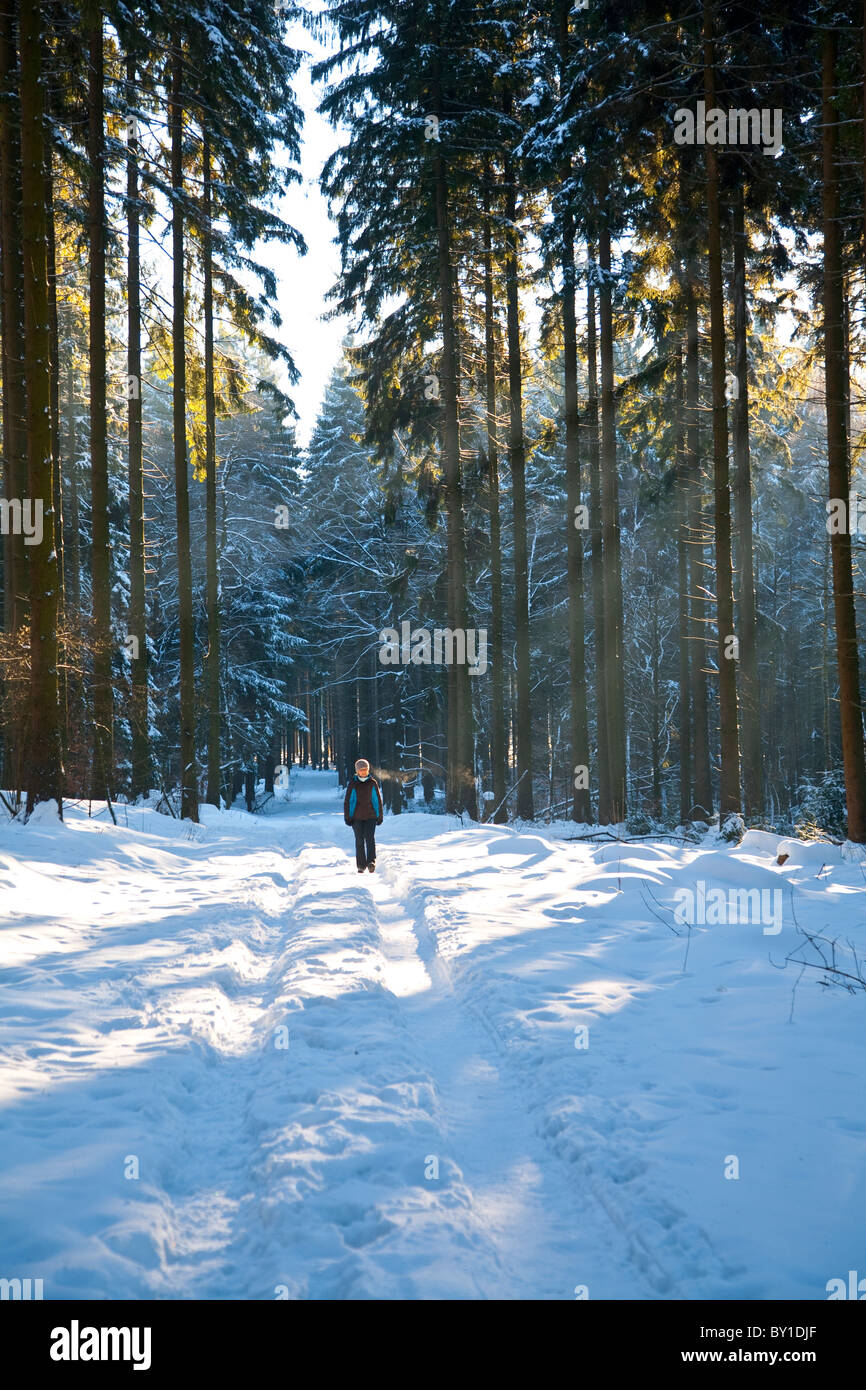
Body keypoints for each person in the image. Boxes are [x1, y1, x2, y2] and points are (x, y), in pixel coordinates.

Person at [343, 758, 383, 872]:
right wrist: (348, 817)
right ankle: (361, 865)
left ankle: (371, 862)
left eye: (365, 769)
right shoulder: (353, 784)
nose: (364, 772)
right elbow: (348, 802)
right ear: (357, 771)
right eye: (361, 770)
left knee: (370, 839)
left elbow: (377, 801)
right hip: (357, 818)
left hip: (370, 816)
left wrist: (379, 815)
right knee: (359, 840)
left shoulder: (372, 783)